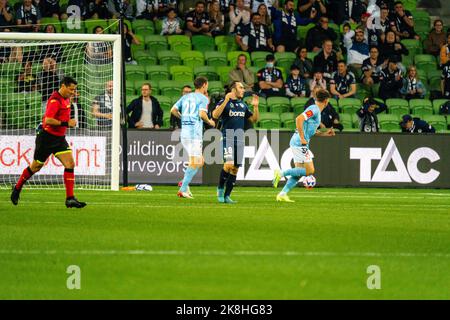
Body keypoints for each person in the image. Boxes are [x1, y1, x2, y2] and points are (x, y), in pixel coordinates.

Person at [10, 76, 87, 208]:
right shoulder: (55, 100)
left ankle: (70, 198)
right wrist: (66, 123)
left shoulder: (66, 98)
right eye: (71, 89)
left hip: (59, 139)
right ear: (63, 86)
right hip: (46, 138)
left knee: (70, 163)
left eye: (74, 90)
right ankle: (17, 188)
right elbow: (48, 120)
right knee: (35, 167)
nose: (73, 92)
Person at [272, 88, 334, 202]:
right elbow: (299, 119)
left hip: (300, 142)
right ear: (327, 100)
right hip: (299, 142)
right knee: (310, 171)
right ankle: (280, 173)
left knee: (298, 172)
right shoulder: (314, 109)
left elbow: (311, 131)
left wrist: (325, 134)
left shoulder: (317, 111)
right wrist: (301, 137)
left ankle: (282, 194)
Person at [212, 82, 259, 203]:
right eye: (241, 88)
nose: (243, 90)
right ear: (234, 90)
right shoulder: (224, 102)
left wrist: (256, 107)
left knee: (235, 169)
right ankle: (220, 188)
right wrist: (226, 99)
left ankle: (227, 196)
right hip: (227, 137)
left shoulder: (242, 105)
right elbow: (215, 115)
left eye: (243, 88)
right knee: (228, 164)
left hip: (240, 139)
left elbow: (253, 119)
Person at [170, 77, 215, 198]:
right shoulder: (203, 98)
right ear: (204, 85)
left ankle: (184, 182)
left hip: (184, 133)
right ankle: (183, 188)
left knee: (199, 162)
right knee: (197, 162)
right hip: (194, 135)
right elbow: (202, 114)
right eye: (207, 85)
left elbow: (173, 110)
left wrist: (182, 118)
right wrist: (210, 122)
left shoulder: (186, 97)